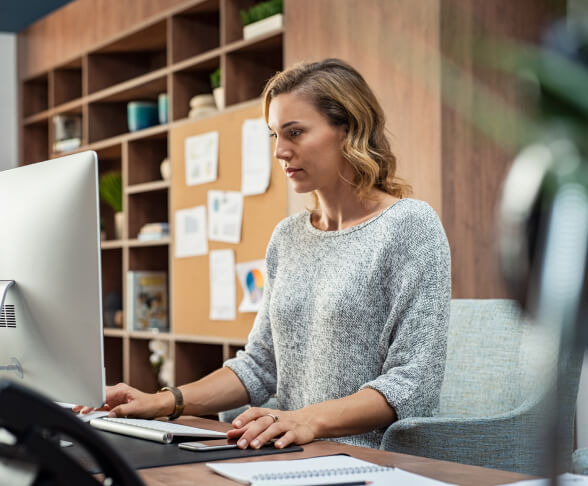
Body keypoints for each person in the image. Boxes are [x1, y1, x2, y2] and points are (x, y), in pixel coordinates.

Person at [78, 58, 451, 450]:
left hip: (369, 461)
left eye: (294, 132)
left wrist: (306, 420)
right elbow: (259, 366)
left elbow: (414, 382)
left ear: (348, 129)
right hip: (289, 455)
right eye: (274, 135)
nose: (280, 151)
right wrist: (163, 402)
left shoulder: (410, 225)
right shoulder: (288, 236)